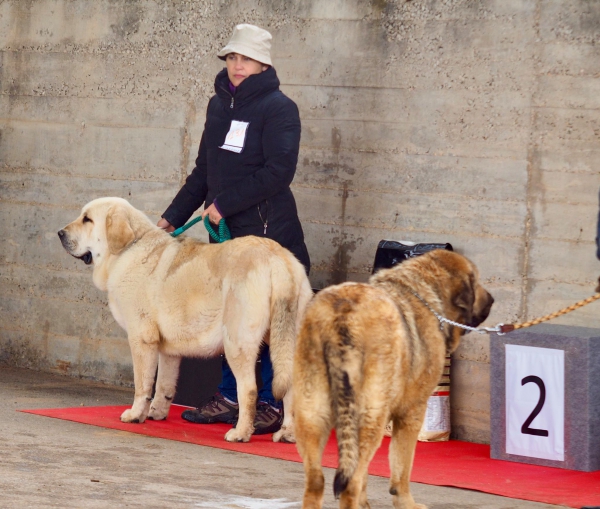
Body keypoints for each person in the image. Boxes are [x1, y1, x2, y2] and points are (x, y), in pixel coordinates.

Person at [157, 24, 310, 435]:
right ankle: (229, 397)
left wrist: (223, 205)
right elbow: (205, 171)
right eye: (231, 58)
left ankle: (271, 406)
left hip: (267, 233)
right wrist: (171, 218)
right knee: (232, 319)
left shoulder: (279, 108)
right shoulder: (218, 105)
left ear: (263, 64)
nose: (237, 66)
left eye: (245, 59)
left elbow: (279, 171)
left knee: (268, 325)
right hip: (224, 238)